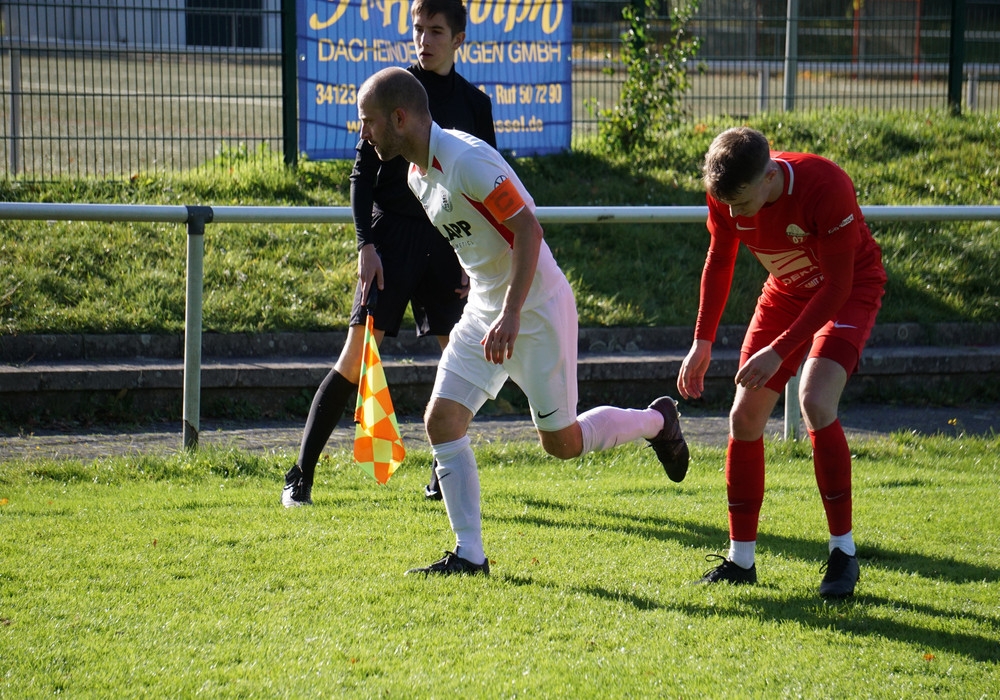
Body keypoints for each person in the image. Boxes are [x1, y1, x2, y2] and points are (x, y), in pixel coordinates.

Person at [356, 66, 691, 576]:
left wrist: (511, 313)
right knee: (441, 419)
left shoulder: (466, 159)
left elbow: (528, 230)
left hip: (535, 309)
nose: (364, 133)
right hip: (485, 309)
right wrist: (476, 283)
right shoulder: (415, 176)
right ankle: (470, 555)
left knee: (562, 444)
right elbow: (477, 233)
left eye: (369, 121)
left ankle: (657, 421)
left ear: (399, 119)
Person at [282, 0, 496, 507]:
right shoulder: (392, 88)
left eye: (436, 31)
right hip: (390, 240)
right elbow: (362, 175)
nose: (425, 40)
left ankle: (444, 474)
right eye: (418, 29)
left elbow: (487, 184)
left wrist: (474, 259)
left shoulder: (475, 104)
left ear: (458, 39)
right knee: (356, 355)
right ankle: (300, 475)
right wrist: (366, 244)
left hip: (448, 241)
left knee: (458, 360)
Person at [677, 126, 887, 598]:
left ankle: (843, 553)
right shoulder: (727, 192)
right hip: (787, 292)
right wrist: (702, 341)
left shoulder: (825, 185)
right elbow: (719, 258)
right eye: (726, 205)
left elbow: (836, 286)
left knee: (815, 400)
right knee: (744, 416)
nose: (734, 214)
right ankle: (741, 561)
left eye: (742, 204)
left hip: (848, 289)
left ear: (770, 176)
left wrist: (779, 351)